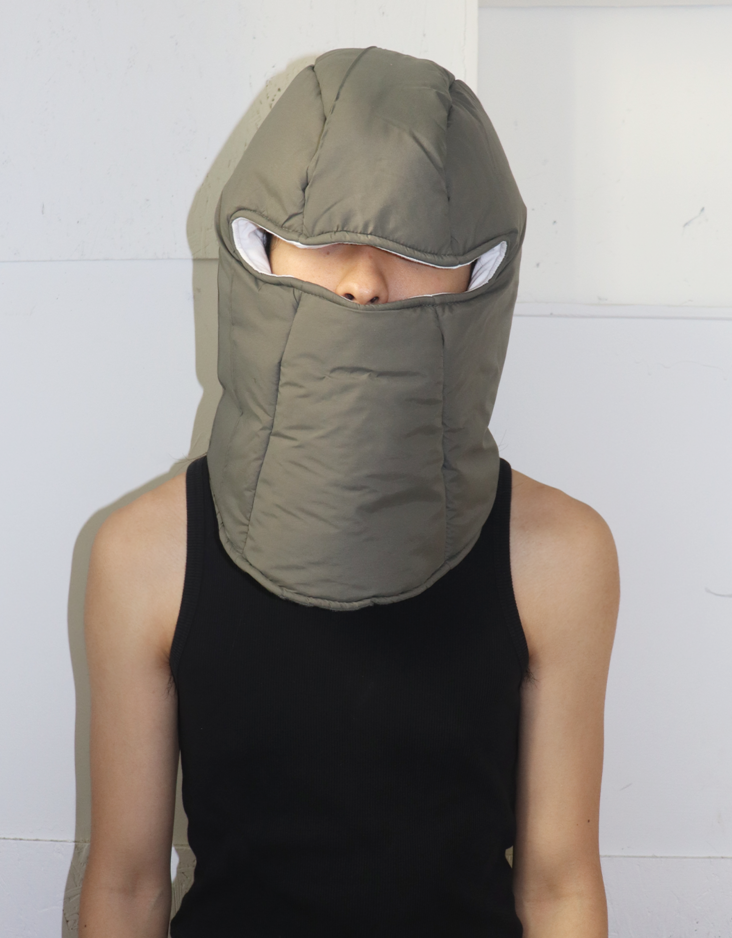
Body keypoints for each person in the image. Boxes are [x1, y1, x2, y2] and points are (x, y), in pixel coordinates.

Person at [78, 47, 618, 938]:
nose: (363, 280)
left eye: (412, 243)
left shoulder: (560, 559)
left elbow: (560, 887)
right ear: (261, 245)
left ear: (478, 267)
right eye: (325, 234)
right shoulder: (143, 557)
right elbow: (128, 886)